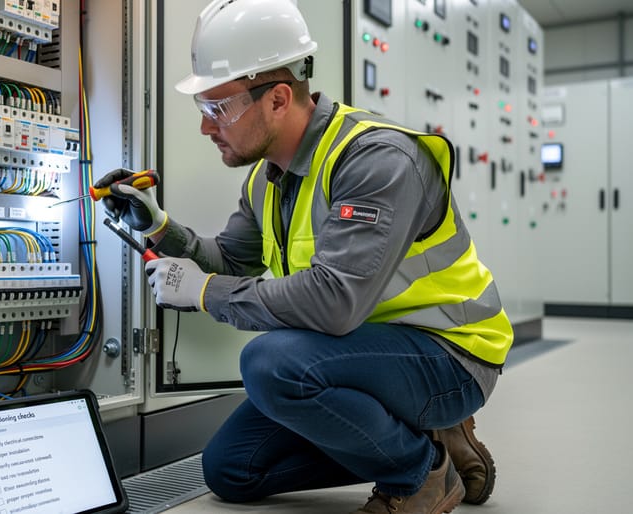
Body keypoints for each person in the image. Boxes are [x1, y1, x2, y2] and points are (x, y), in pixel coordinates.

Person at [94, 0, 513, 512]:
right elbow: (229, 261)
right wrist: (158, 225)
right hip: (363, 354)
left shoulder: (378, 160)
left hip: (448, 355)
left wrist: (203, 294)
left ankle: (419, 472)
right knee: (230, 469)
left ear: (277, 99)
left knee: (271, 362)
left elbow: (335, 302)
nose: (207, 127)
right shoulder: (266, 177)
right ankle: (427, 440)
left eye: (217, 109)